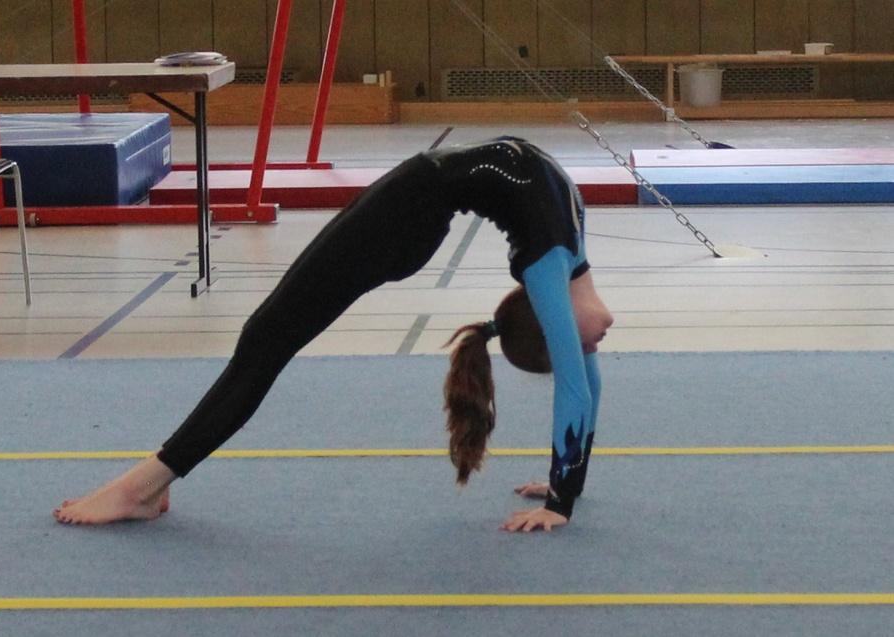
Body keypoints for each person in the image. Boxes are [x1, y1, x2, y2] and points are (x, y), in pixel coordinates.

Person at [53, 137, 614, 533]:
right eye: (582, 342)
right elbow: (581, 383)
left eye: (580, 342)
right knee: (265, 338)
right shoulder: (565, 253)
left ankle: (145, 485)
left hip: (406, 213)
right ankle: (153, 483)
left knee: (265, 339)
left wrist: (563, 497)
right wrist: (568, 486)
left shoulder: (553, 267)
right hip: (411, 210)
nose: (596, 345)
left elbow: (579, 385)